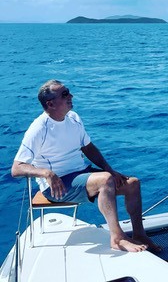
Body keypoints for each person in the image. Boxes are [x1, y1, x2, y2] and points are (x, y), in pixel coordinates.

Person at [11, 79, 160, 253]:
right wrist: (46, 173)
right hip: (58, 186)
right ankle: (117, 238)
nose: (71, 96)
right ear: (50, 104)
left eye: (68, 91)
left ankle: (139, 234)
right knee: (105, 180)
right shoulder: (39, 128)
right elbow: (17, 168)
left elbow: (88, 147)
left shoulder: (73, 118)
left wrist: (110, 169)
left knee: (132, 184)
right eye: (65, 94)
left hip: (82, 175)